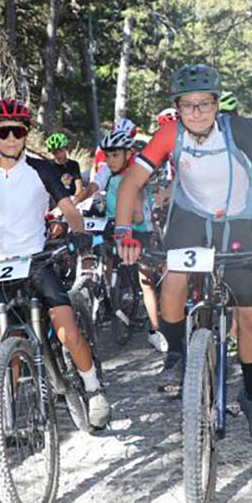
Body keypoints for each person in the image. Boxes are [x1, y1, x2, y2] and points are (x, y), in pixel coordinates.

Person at [114, 64, 252, 446]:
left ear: (217, 105)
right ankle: (178, 355)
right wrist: (123, 231)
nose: (196, 112)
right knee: (173, 283)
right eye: (188, 106)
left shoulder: (240, 131)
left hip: (239, 223)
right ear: (178, 109)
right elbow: (131, 181)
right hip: (192, 218)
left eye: (204, 104)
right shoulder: (170, 134)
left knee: (249, 318)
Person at [0, 99, 111, 428]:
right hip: (0, 267)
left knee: (67, 333)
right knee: (7, 345)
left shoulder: (43, 169)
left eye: (18, 131)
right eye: (3, 132)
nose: (11, 138)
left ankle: (94, 388)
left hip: (38, 261)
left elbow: (68, 209)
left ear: (26, 133)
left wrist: (79, 232)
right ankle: (8, 419)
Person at [83, 127, 164, 350]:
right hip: (114, 225)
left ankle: (155, 330)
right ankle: (112, 298)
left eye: (115, 155)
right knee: (105, 257)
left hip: (139, 228)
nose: (110, 160)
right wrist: (74, 202)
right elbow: (93, 186)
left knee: (145, 279)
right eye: (107, 155)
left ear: (128, 154)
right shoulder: (109, 171)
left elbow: (137, 211)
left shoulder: (136, 172)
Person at [44, 132, 83, 197]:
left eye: (60, 150)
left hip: (72, 199)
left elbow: (78, 188)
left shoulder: (73, 165)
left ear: (66, 148)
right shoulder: (49, 166)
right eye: (54, 152)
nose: (58, 155)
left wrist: (75, 200)